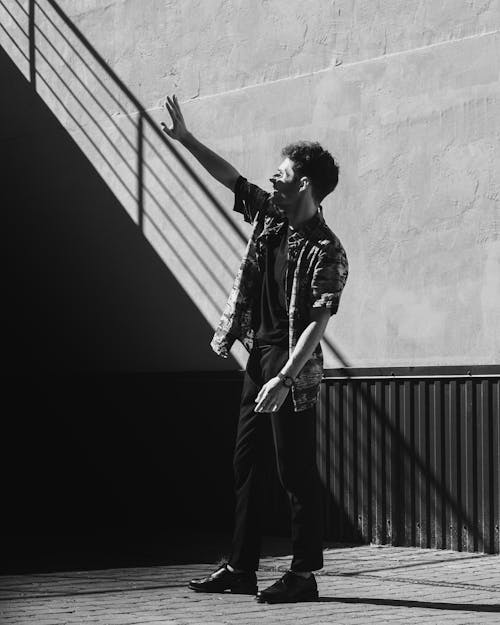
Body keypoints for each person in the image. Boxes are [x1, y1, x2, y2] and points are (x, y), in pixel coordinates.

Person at [161, 95, 348, 604]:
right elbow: (231, 177)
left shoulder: (326, 248)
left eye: (282, 172)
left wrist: (283, 378)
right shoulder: (270, 217)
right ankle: (241, 567)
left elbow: (318, 324)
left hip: (292, 369)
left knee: (294, 472)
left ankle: (303, 575)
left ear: (304, 182)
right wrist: (187, 139)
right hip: (256, 357)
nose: (272, 177)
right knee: (246, 463)